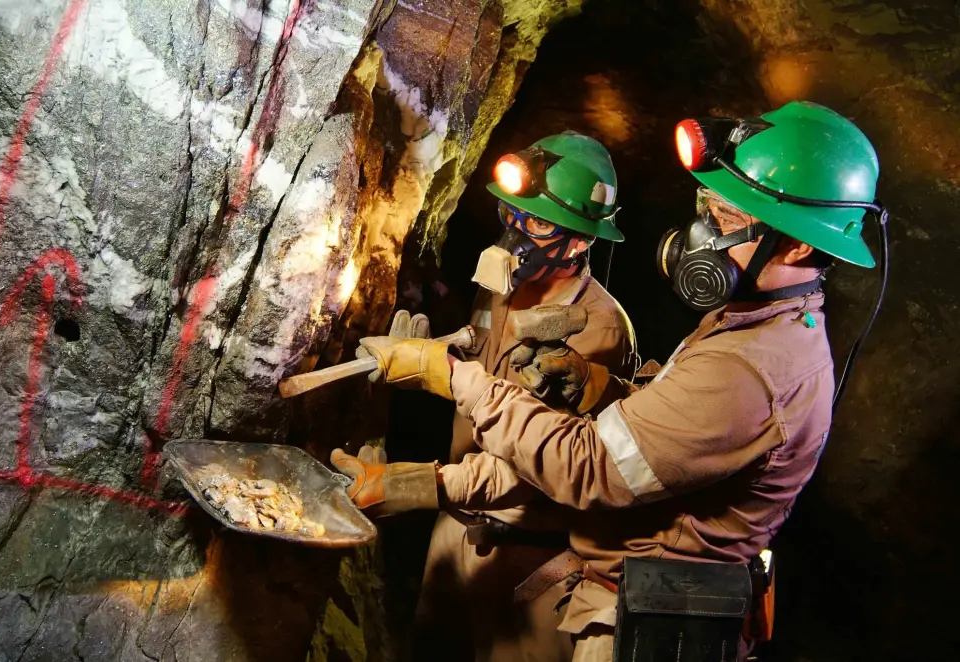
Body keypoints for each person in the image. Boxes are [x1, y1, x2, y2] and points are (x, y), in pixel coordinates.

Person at [332, 101, 888, 660]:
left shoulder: (749, 366)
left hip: (623, 605)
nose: (699, 235)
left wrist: (447, 388)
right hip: (589, 583)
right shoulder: (744, 327)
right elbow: (660, 432)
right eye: (706, 209)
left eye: (725, 220)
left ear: (795, 244)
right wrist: (600, 389)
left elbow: (589, 467)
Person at [398, 131, 637, 662]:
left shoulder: (599, 327)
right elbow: (479, 376)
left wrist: (419, 484)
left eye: (540, 222)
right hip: (454, 534)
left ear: (579, 241)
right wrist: (423, 360)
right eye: (511, 212)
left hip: (528, 560)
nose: (516, 231)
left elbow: (551, 465)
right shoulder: (498, 288)